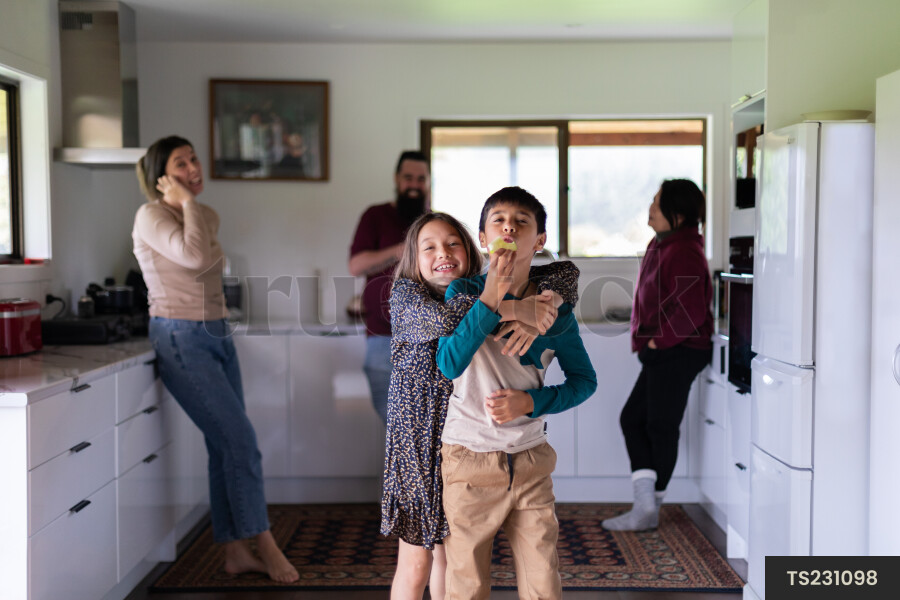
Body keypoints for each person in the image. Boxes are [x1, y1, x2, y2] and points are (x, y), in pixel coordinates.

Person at [383, 211, 580, 600]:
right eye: (429, 247)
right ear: (413, 259)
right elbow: (446, 320)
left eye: (453, 243)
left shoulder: (474, 290)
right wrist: (517, 308)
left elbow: (566, 275)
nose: (443, 253)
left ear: (472, 249)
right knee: (417, 560)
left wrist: (547, 302)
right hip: (417, 442)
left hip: (463, 438)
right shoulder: (406, 295)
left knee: (449, 557)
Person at [132, 136, 299, 583]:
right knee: (241, 442)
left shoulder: (204, 214)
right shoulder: (151, 215)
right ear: (162, 177)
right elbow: (192, 257)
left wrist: (190, 206)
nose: (193, 168)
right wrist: (185, 202)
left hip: (217, 332)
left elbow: (205, 261)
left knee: (223, 445)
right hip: (180, 335)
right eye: (180, 164)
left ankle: (233, 551)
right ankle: (263, 542)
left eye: (194, 159)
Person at [436, 187, 598, 600]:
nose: (509, 226)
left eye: (521, 222)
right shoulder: (461, 293)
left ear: (539, 240)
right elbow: (449, 364)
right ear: (483, 238)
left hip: (530, 461)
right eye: (499, 221)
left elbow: (584, 381)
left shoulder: (555, 311)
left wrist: (531, 402)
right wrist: (496, 296)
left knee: (543, 582)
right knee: (467, 586)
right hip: (469, 463)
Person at [602, 179, 713, 532]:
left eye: (657, 202)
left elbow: (691, 311)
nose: (650, 208)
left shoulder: (684, 250)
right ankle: (647, 506)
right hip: (667, 349)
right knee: (636, 421)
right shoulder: (664, 243)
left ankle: (647, 508)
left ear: (677, 213)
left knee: (658, 427)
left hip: (678, 350)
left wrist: (655, 343)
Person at [349, 150, 432, 424]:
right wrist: (399, 250)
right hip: (382, 337)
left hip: (428, 339)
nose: (414, 185)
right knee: (394, 424)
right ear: (397, 179)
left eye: (421, 179)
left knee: (425, 426)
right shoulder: (375, 215)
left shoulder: (434, 223)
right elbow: (356, 266)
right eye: (408, 178)